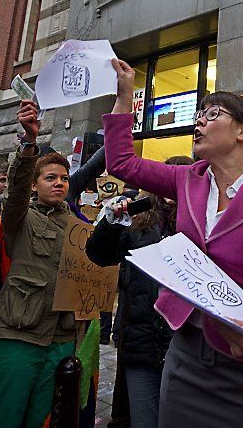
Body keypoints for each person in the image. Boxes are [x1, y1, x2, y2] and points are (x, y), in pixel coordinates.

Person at [104, 65, 243, 428]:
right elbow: (121, 162)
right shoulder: (185, 180)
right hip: (184, 356)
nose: (199, 123)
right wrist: (123, 95)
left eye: (212, 115)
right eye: (198, 116)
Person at [0, 100, 89, 428]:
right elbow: (14, 190)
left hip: (61, 338)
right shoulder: (19, 216)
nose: (59, 183)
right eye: (50, 178)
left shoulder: (78, 225)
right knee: (4, 419)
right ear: (34, 184)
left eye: (64, 179)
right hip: (16, 334)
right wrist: (29, 143)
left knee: (42, 422)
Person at [86, 155, 195, 428]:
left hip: (185, 349)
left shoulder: (197, 223)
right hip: (140, 344)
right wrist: (111, 223)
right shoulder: (138, 221)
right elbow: (98, 254)